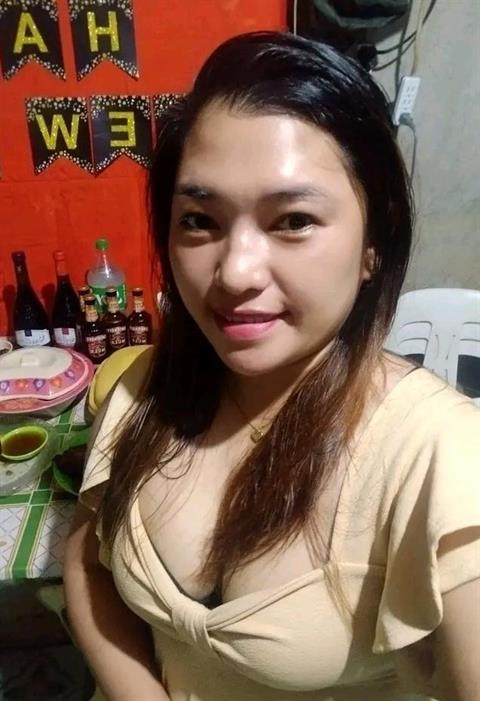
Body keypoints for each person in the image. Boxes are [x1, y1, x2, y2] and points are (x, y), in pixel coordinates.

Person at [64, 31, 480, 701]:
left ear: (374, 241)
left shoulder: (443, 456)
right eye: (199, 220)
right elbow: (89, 566)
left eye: (292, 220)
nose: (234, 272)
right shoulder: (144, 388)